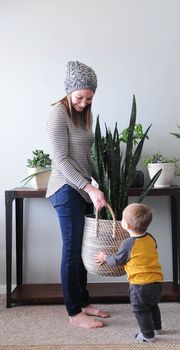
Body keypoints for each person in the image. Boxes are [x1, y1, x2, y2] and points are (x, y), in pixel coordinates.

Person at [46, 61, 109, 329]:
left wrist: (104, 180)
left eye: (89, 98)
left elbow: (86, 158)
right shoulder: (57, 114)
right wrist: (90, 187)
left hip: (82, 190)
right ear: (69, 92)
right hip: (64, 189)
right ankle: (74, 313)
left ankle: (83, 302)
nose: (84, 103)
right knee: (71, 251)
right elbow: (60, 160)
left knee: (82, 250)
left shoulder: (85, 116)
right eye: (79, 97)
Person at [95, 203, 164, 342]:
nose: (121, 220)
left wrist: (105, 257)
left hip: (140, 285)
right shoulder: (150, 237)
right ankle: (157, 327)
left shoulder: (128, 243)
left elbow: (117, 260)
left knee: (140, 310)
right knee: (152, 305)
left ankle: (148, 335)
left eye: (122, 219)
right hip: (157, 281)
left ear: (127, 226)